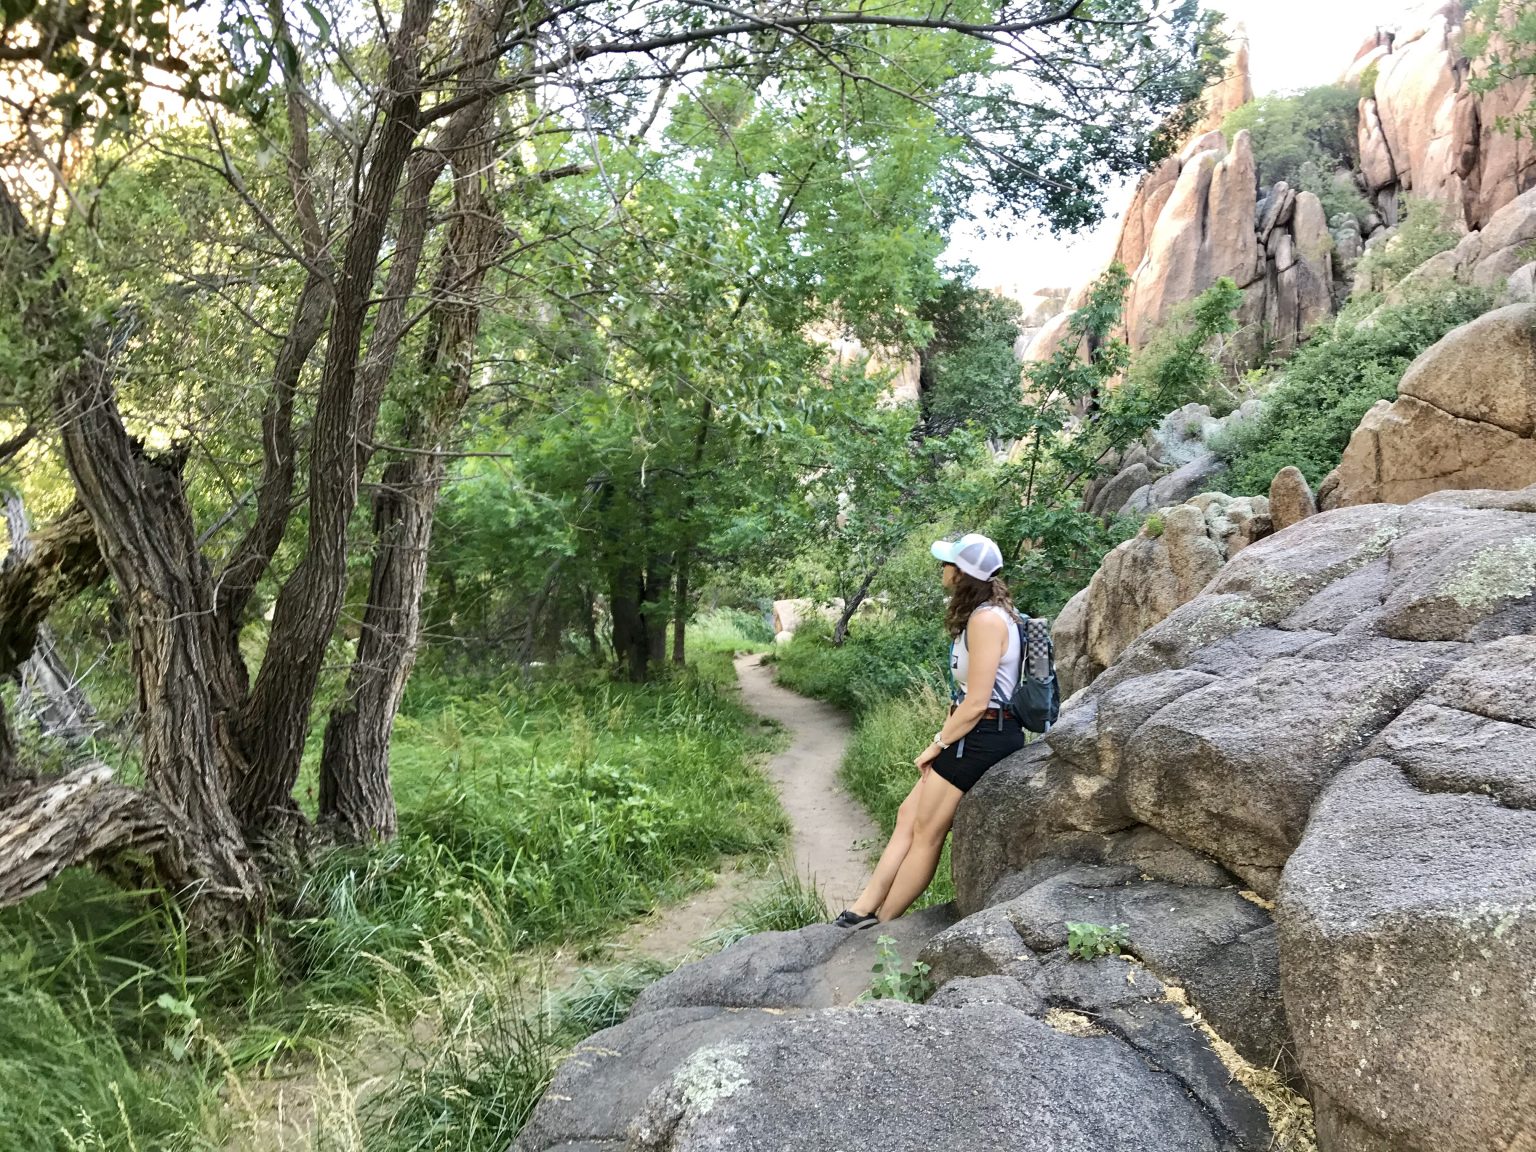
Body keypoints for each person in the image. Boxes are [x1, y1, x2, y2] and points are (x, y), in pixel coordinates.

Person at [832, 532, 1027, 929]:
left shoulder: (987, 620)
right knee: (908, 815)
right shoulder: (985, 614)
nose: (942, 569)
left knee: (927, 833)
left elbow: (977, 702)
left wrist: (937, 744)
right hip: (974, 733)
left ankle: (883, 924)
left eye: (947, 564)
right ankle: (862, 908)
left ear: (962, 574)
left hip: (983, 738)